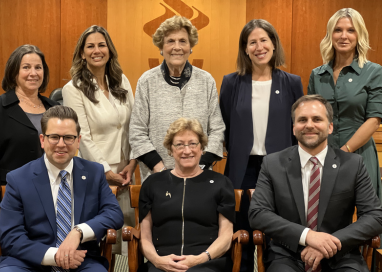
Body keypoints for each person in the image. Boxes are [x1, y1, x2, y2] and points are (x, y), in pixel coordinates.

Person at [249, 95, 382, 272]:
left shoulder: (353, 164)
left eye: (317, 119)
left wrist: (331, 243)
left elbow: (374, 215)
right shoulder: (273, 163)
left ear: (330, 127)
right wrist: (308, 236)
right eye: (302, 120)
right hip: (288, 254)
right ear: (294, 128)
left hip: (341, 254)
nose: (309, 125)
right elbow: (258, 213)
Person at [0, 105, 123, 272]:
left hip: (81, 259)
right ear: (42, 140)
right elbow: (11, 237)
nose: (61, 144)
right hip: (30, 261)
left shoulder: (94, 172)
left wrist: (78, 232)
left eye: (69, 137)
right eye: (54, 137)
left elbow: (113, 213)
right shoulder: (18, 178)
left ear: (78, 141)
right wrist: (55, 256)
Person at [219, 19, 303, 271]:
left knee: (275, 234)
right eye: (252, 42)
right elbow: (224, 123)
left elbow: (298, 128)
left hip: (281, 168)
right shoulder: (232, 82)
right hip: (242, 170)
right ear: (245, 49)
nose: (259, 47)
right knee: (241, 234)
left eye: (264, 40)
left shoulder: (292, 82)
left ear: (274, 44)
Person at [62, 25, 136, 255]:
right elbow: (81, 136)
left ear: (109, 50)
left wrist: (132, 163)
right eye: (90, 46)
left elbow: (135, 123)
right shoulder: (72, 88)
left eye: (101, 45)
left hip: (127, 171)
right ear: (82, 53)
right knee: (103, 235)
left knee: (125, 234)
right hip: (95, 171)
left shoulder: (121, 81)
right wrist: (106, 171)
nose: (97, 50)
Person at [129, 16, 225, 181]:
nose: (177, 47)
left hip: (199, 177)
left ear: (190, 47)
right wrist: (161, 170)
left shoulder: (206, 80)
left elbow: (217, 129)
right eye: (170, 41)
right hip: (157, 176)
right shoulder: (146, 81)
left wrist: (199, 167)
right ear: (161, 47)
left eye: (183, 41)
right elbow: (137, 132)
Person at [138, 118, 235, 272]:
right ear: (170, 149)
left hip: (207, 263)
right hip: (162, 262)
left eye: (192, 143)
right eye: (179, 144)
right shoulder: (153, 184)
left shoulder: (221, 183)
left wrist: (200, 258)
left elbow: (226, 236)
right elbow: (145, 237)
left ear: (202, 147)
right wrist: (158, 261)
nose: (187, 150)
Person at [308, 8, 382, 201]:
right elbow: (310, 118)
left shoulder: (373, 72)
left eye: (351, 30)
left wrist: (344, 152)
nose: (343, 36)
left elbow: (374, 120)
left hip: (360, 154)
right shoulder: (317, 75)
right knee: (329, 217)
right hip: (325, 155)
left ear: (359, 35)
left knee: (367, 220)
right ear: (330, 34)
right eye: (338, 30)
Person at [0, 44, 59, 229]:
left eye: (38, 67)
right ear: (14, 72)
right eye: (26, 67)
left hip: (50, 196)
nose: (33, 73)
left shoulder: (54, 109)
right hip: (9, 198)